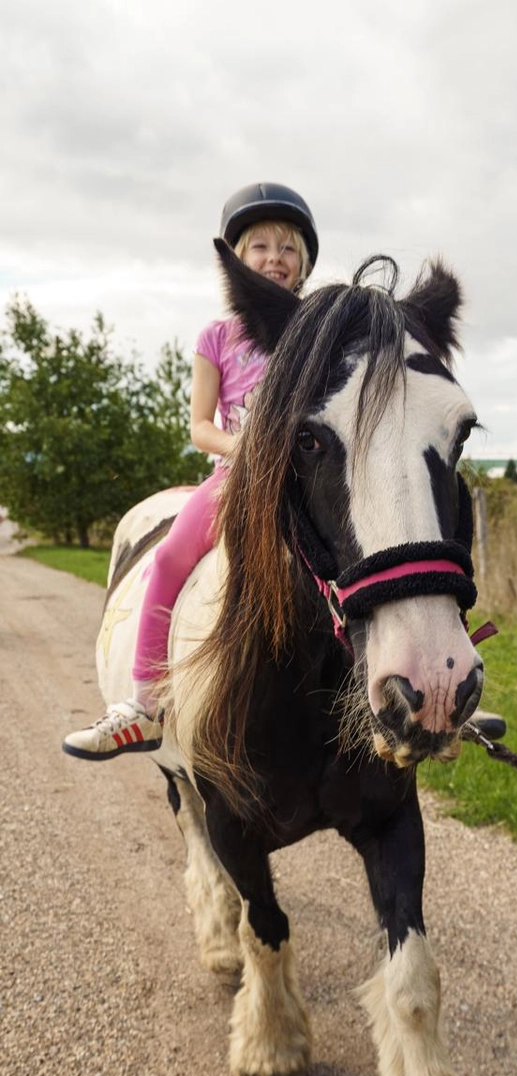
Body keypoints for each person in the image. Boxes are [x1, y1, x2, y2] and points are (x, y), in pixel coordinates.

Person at [63, 182, 318, 760]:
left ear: (303, 263)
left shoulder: (317, 327)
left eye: (287, 248)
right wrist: (246, 451)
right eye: (260, 247)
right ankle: (143, 702)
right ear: (237, 261)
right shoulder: (216, 337)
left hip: (313, 479)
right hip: (241, 479)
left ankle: (435, 690)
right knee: (175, 553)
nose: (274, 258)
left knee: (387, 545)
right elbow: (199, 426)